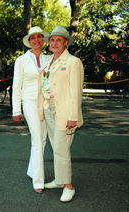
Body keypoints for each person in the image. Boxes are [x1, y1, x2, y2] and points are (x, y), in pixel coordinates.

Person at [39, 25, 84, 202]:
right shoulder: (49, 60)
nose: (54, 43)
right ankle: (59, 180)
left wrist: (73, 117)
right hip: (49, 108)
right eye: (52, 39)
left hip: (65, 112)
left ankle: (68, 186)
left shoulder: (73, 62)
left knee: (61, 149)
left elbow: (76, 92)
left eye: (59, 40)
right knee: (55, 145)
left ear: (66, 42)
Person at [12, 26, 50, 193]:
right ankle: (38, 180)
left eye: (39, 37)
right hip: (28, 101)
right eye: (33, 38)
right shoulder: (21, 60)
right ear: (29, 41)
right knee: (36, 137)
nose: (36, 40)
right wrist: (16, 110)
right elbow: (16, 86)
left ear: (43, 40)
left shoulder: (49, 59)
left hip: (46, 103)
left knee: (43, 139)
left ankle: (32, 170)